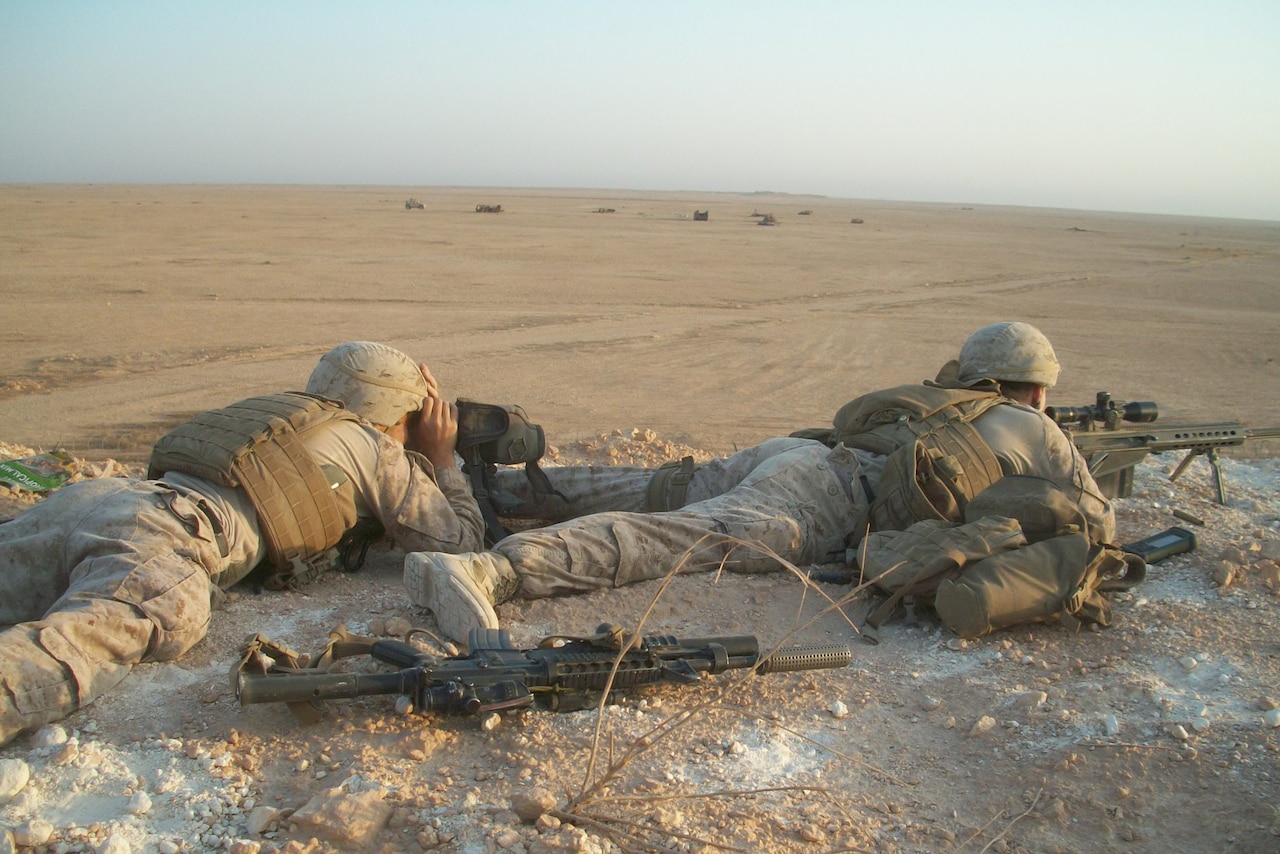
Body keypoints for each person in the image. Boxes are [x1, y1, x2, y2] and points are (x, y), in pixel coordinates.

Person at [405, 322, 1116, 643]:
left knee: (651, 486)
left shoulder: (941, 400)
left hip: (797, 454)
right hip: (827, 498)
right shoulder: (1034, 425)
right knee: (675, 536)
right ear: (1038, 390)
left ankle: (467, 490)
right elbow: (1096, 524)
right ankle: (490, 568)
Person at [0, 341, 485, 746]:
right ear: (392, 414)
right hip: (169, 533)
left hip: (98, 500)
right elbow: (460, 545)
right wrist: (440, 458)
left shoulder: (281, 417)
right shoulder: (374, 446)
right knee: (78, 646)